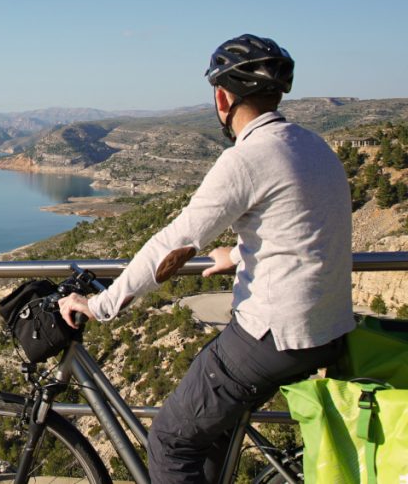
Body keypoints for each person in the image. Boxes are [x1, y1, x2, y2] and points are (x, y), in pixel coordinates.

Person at [57, 34, 355, 483]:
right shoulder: (313, 145)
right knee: (209, 431)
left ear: (222, 96)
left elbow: (174, 244)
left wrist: (101, 305)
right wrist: (239, 252)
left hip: (274, 333)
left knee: (170, 442)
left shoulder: (248, 157)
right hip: (329, 328)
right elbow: (303, 225)